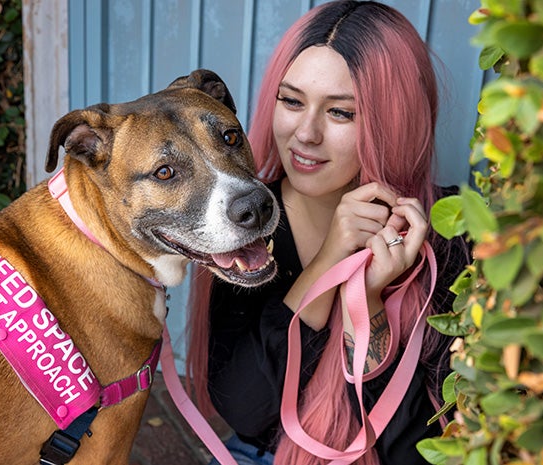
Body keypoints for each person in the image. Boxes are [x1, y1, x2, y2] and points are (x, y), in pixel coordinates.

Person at [186, 1, 470, 464]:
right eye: (292, 101)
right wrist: (328, 264)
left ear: (391, 122)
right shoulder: (247, 221)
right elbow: (245, 409)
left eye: (340, 113)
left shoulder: (447, 229)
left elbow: (414, 443)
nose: (305, 133)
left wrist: (369, 297)